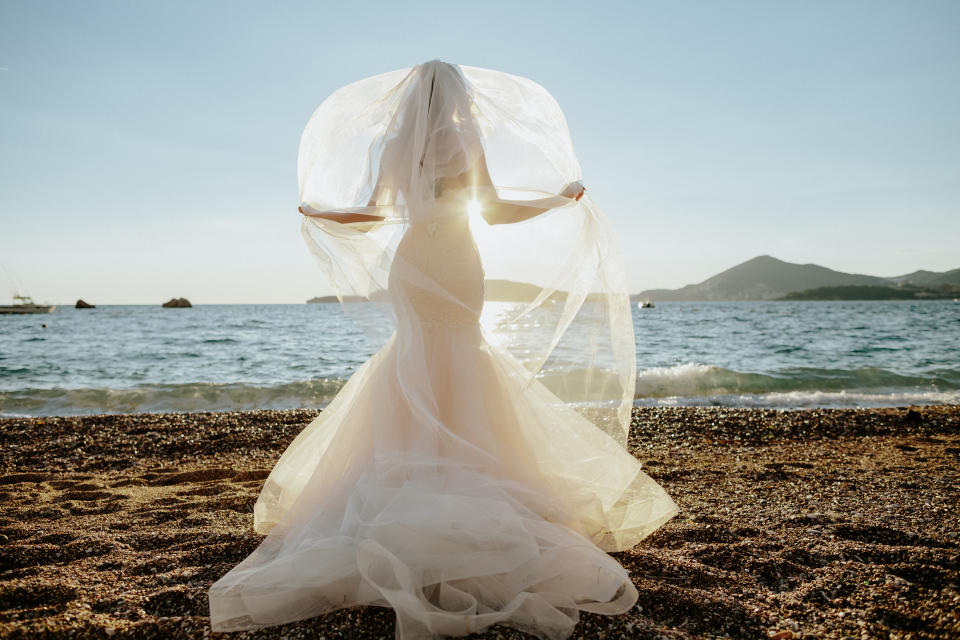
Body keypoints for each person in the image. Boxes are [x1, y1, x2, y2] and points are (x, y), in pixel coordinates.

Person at [209, 60, 677, 639]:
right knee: (463, 352)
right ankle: (469, 469)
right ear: (457, 99)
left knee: (415, 351)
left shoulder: (393, 143)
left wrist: (321, 215)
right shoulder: (465, 138)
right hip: (458, 259)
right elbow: (496, 211)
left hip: (413, 261)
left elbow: (373, 214)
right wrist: (561, 199)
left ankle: (409, 475)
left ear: (408, 102)